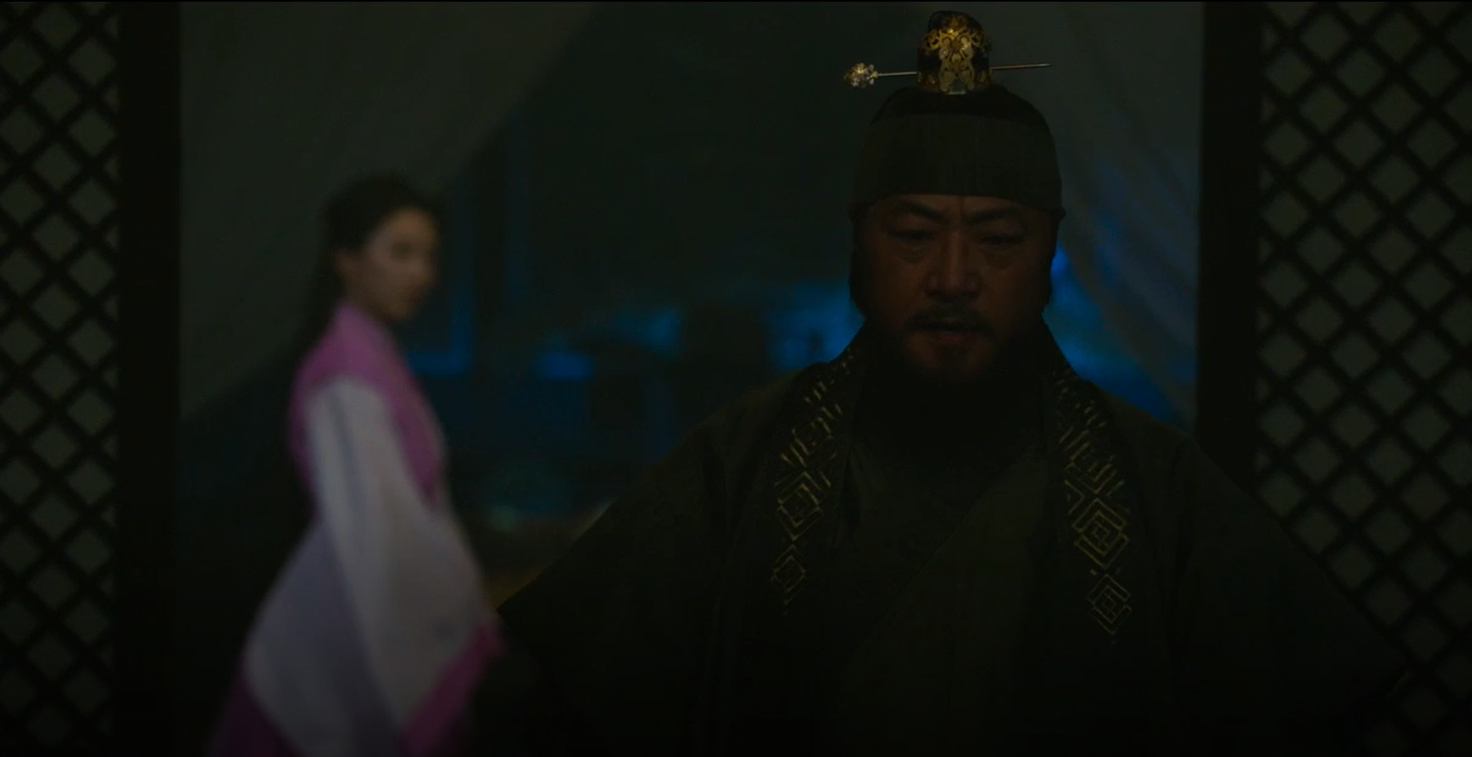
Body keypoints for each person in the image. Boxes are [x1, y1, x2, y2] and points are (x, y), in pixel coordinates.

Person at [493, 12, 1405, 756]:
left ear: (1048, 257)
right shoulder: (745, 463)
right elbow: (573, 708)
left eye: (998, 241)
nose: (954, 277)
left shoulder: (1150, 486)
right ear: (860, 247)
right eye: (915, 236)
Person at [207, 175, 502, 757]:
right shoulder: (347, 374)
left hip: (356, 604)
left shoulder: (371, 357)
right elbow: (377, 531)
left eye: (429, 257)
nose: (421, 274)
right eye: (401, 253)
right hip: (351, 613)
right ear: (346, 259)